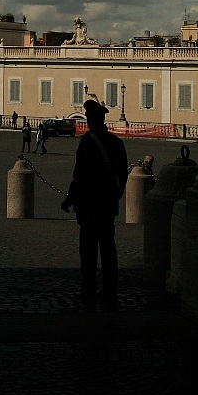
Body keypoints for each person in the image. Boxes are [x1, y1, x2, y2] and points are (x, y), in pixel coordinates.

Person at [61, 99, 128, 303]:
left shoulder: (88, 142)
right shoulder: (116, 142)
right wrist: (117, 194)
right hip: (107, 202)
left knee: (88, 248)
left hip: (89, 203)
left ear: (92, 120)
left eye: (89, 117)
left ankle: (88, 286)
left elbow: (80, 175)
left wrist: (69, 199)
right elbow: (123, 174)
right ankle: (110, 287)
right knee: (108, 247)